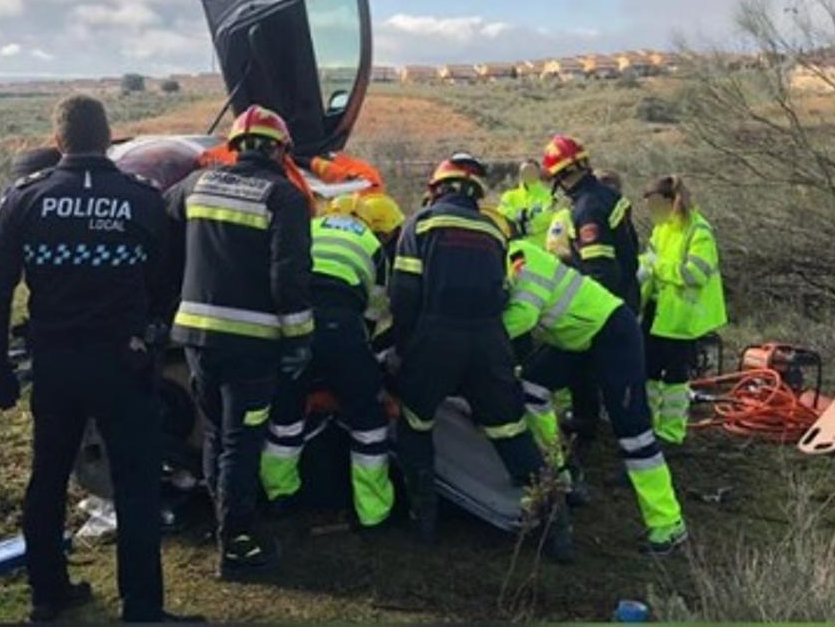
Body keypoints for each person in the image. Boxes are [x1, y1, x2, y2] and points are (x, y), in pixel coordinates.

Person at [0, 94, 199, 622]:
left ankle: (47, 594)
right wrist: (150, 329)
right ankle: (142, 608)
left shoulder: (27, 198)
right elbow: (168, 277)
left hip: (56, 363)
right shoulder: (141, 198)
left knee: (48, 478)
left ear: (58, 142)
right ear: (108, 139)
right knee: (137, 484)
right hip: (124, 362)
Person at [390, 152, 571, 563]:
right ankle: (556, 524)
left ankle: (424, 523)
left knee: (416, 424)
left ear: (435, 190)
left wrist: (405, 353)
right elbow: (503, 291)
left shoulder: (421, 224)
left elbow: (404, 295)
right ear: (475, 195)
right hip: (490, 341)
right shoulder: (493, 231)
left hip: (436, 337)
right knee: (509, 430)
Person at [163, 104, 313, 580]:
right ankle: (237, 545)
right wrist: (299, 340)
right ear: (278, 149)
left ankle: (222, 520)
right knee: (241, 442)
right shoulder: (283, 197)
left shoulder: (194, 186)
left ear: (234, 147)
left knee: (213, 432)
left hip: (196, 338)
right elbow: (289, 276)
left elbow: (161, 221)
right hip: (252, 345)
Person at [500, 232, 688, 554]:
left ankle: (668, 524)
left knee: (634, 434)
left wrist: (476, 340)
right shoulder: (507, 259)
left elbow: (523, 316)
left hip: (612, 333)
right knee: (532, 386)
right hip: (576, 340)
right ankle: (558, 474)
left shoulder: (521, 262)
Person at [260, 191, 405, 530]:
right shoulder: (371, 243)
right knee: (368, 422)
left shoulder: (310, 226)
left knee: (285, 417)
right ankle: (374, 512)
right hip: (342, 325)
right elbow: (374, 312)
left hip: (293, 324)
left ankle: (279, 498)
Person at [541, 134, 641, 469]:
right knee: (587, 368)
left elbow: (601, 270)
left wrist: (585, 309)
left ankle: (600, 432)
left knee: (592, 366)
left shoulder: (588, 209)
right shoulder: (606, 196)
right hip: (624, 299)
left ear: (560, 177)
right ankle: (587, 420)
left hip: (607, 305)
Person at [639, 174, 727, 444]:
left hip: (682, 318)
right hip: (657, 313)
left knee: (675, 378)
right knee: (649, 372)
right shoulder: (661, 229)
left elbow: (695, 274)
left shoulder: (698, 231)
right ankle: (648, 424)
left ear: (669, 201)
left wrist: (658, 268)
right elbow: (647, 263)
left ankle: (671, 431)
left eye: (653, 204)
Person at [498, 160, 555, 248]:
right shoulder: (509, 196)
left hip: (541, 250)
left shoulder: (549, 196)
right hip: (516, 249)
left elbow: (547, 219)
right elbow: (501, 215)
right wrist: (525, 215)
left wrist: (519, 225)